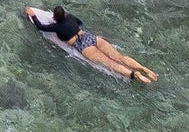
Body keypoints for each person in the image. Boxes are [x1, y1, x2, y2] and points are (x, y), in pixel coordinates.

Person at [26, 6, 158, 84]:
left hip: (81, 45)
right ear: (65, 14)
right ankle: (144, 69)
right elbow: (80, 23)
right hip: (90, 37)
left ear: (54, 17)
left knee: (109, 63)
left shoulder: (56, 26)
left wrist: (32, 15)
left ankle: (134, 75)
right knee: (120, 57)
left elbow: (40, 27)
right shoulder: (71, 17)